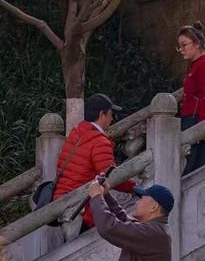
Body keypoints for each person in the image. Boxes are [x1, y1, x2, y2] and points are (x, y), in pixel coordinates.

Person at [53, 93, 135, 231]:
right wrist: (134, 187)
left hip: (62, 197)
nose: (112, 119)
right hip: (82, 205)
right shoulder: (100, 141)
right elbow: (110, 176)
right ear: (102, 114)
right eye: (111, 114)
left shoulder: (76, 133)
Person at [88, 178, 172, 261]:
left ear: (154, 206)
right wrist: (106, 195)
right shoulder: (156, 230)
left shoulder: (154, 233)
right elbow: (124, 220)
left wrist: (96, 197)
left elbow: (109, 227)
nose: (137, 202)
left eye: (141, 199)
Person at [178, 23, 205, 175]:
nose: (181, 50)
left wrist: (201, 127)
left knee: (191, 164)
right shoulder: (197, 64)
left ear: (196, 44)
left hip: (196, 119)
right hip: (190, 117)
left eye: (184, 45)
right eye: (179, 46)